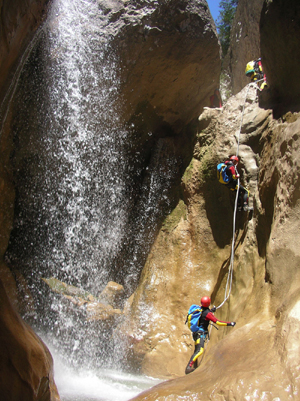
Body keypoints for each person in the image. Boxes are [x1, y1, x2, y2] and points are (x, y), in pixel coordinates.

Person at [185, 296, 236, 375]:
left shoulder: (200, 309)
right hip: (200, 334)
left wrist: (211, 311)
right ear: (209, 303)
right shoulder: (208, 313)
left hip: (196, 333)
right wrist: (230, 323)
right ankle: (188, 367)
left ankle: (193, 366)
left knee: (197, 349)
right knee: (200, 350)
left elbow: (204, 314)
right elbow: (218, 322)